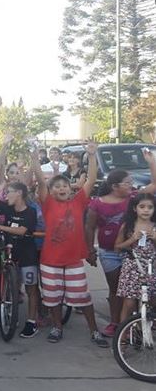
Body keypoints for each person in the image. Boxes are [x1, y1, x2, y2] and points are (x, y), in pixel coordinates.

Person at [31, 143, 108, 347]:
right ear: (50, 191)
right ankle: (57, 327)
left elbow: (91, 179)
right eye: (56, 187)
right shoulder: (47, 203)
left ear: (70, 188)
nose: (61, 188)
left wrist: (91, 155)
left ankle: (94, 331)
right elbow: (40, 179)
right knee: (53, 298)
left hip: (73, 260)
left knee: (82, 297)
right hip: (50, 260)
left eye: (64, 185)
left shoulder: (78, 202)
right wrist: (34, 157)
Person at [86, 152, 156, 337]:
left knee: (135, 290)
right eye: (127, 182)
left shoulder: (133, 198)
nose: (131, 184)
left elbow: (153, 186)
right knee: (116, 288)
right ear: (115, 186)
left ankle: (138, 322)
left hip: (133, 252)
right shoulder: (97, 203)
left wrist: (151, 163)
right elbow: (90, 227)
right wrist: (89, 251)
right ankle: (116, 322)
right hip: (109, 252)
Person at [0, 182, 41, 338]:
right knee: (10, 287)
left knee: (31, 288)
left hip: (27, 254)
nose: (5, 195)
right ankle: (9, 316)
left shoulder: (30, 212)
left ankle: (31, 322)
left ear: (19, 193)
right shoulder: (7, 208)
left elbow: (22, 231)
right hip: (10, 252)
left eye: (9, 192)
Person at [114, 193, 156, 321]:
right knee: (129, 303)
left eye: (150, 207)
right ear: (134, 208)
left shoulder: (154, 226)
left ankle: (147, 328)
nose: (146, 210)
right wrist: (132, 239)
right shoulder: (128, 226)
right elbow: (117, 247)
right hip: (132, 267)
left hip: (152, 267)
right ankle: (124, 334)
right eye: (142, 207)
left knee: (152, 300)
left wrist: (154, 238)